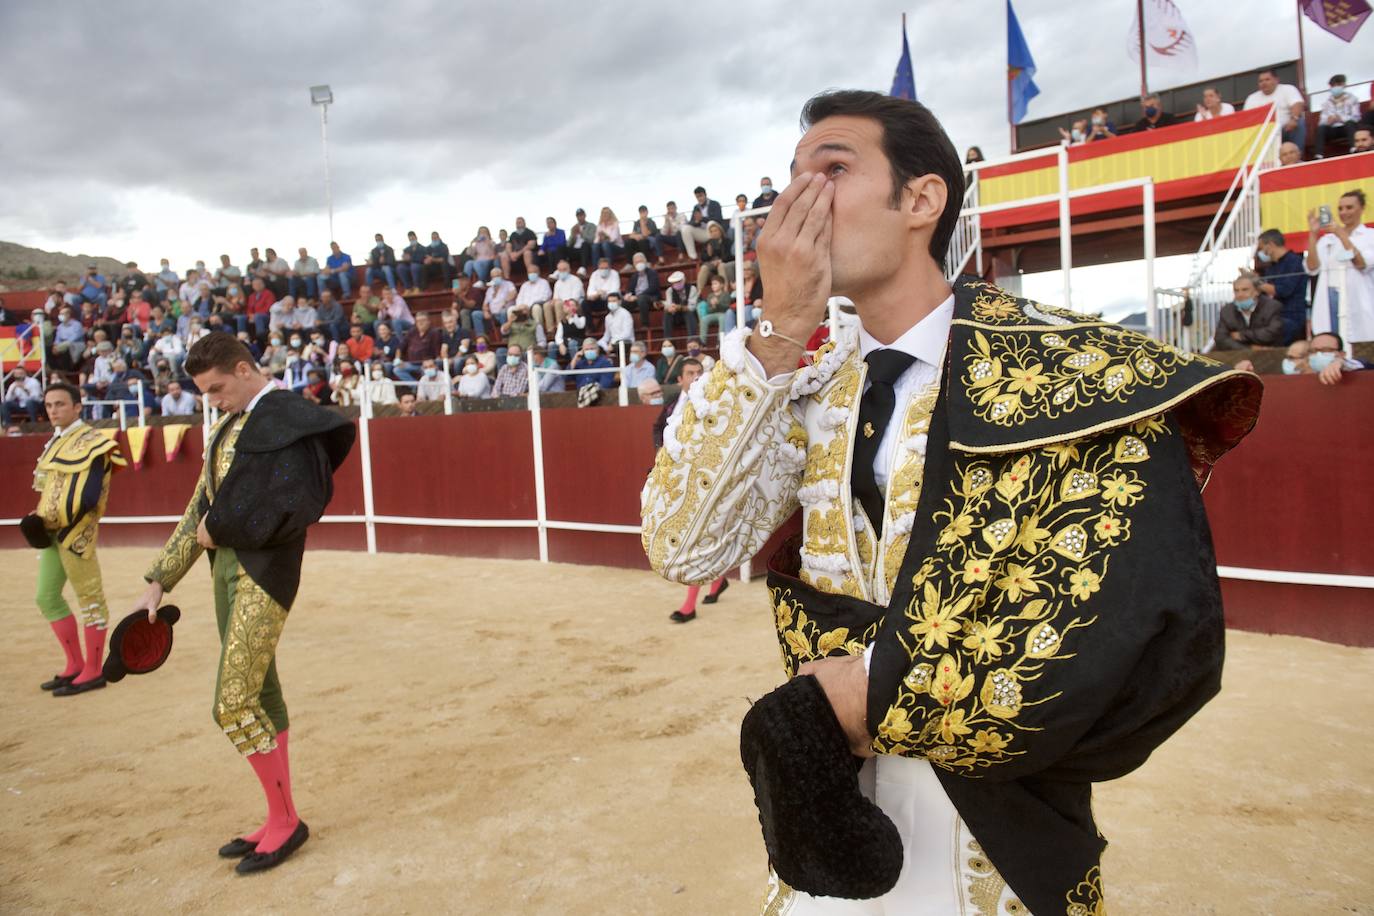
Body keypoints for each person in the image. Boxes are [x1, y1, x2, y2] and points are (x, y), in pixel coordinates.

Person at [640, 89, 1261, 916]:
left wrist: (866, 690)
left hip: (1001, 825)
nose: (798, 202)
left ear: (922, 200)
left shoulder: (1065, 369)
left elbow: (1143, 632)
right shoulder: (807, 380)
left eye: (831, 168)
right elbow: (684, 549)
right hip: (837, 822)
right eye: (791, 179)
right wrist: (780, 326)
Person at [131, 335, 353, 873]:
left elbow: (296, 501)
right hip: (224, 570)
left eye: (217, 388)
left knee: (232, 702)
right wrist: (160, 579)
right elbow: (200, 507)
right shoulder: (227, 427)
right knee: (262, 693)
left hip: (265, 572)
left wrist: (219, 528)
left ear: (244, 368)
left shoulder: (289, 418)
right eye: (205, 393)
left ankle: (286, 821)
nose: (213, 400)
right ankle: (279, 815)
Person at [28, 383, 128, 695]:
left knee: (90, 601)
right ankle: (74, 665)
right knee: (46, 596)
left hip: (76, 533)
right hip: (51, 532)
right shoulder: (55, 443)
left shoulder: (94, 442)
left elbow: (88, 495)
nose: (54, 410)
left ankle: (94, 670)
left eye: (60, 404)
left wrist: (62, 520)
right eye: (49, 405)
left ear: (77, 407)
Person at [645, 357, 727, 621]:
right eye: (690, 373)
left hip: (703, 477)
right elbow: (658, 428)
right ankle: (718, 580)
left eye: (699, 372)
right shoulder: (672, 406)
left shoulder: (712, 404)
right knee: (699, 535)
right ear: (679, 379)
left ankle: (689, 605)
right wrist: (661, 451)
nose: (695, 377)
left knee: (696, 537)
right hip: (678, 478)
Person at [1306, 189, 1374, 343]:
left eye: (1349, 207)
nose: (1344, 212)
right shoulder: (1328, 239)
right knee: (1333, 341)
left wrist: (1341, 234)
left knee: (1360, 340)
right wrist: (1313, 234)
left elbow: (1361, 264)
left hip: (1358, 297)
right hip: (1329, 295)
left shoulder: (1370, 236)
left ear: (1362, 209)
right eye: (1340, 208)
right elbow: (1312, 267)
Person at [1255, 228, 1309, 343]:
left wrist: (1255, 282)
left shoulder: (1294, 261)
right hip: (1274, 316)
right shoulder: (1271, 267)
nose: (1260, 252)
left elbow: (1284, 290)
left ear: (1270, 245)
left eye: (1261, 248)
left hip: (1292, 317)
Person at [1212, 276, 1284, 350]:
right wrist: (1249, 349)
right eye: (1236, 290)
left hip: (1270, 354)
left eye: (1245, 290)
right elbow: (1220, 339)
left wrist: (1241, 335)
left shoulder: (1272, 306)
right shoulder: (1227, 310)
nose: (1240, 294)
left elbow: (1271, 334)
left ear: (1257, 291)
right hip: (1238, 355)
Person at [1245, 68, 1306, 154]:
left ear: (1276, 80)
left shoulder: (1288, 89)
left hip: (1285, 129)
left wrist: (1294, 119)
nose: (1264, 83)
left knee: (1299, 123)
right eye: (1261, 81)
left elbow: (1297, 104)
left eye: (1267, 79)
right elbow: (1247, 119)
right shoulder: (1251, 98)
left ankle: (1296, 157)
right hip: (1263, 135)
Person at [1315, 74, 1363, 158]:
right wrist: (1328, 121)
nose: (1336, 87)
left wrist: (1341, 118)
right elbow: (1322, 121)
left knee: (1350, 124)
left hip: (1346, 127)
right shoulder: (1326, 103)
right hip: (1333, 129)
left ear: (1344, 85)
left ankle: (1354, 148)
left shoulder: (1352, 99)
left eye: (1338, 85)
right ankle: (1319, 155)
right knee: (1321, 128)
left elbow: (1356, 117)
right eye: (1333, 85)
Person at [680, 186, 724, 259]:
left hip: (714, 232)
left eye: (701, 196)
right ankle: (693, 256)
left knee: (711, 223)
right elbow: (691, 222)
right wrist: (697, 222)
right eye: (697, 197)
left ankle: (716, 252)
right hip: (702, 233)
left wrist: (702, 219)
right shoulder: (696, 207)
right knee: (685, 228)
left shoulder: (715, 204)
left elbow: (718, 219)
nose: (700, 198)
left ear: (705, 194)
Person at [396, 310, 441, 382]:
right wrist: (398, 359)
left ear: (428, 321)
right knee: (397, 370)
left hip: (426, 364)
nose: (420, 323)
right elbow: (400, 347)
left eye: (423, 320)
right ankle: (416, 386)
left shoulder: (434, 333)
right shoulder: (412, 331)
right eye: (418, 321)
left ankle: (422, 387)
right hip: (411, 363)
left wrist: (430, 363)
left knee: (426, 371)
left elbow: (437, 352)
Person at [624, 252, 662, 330]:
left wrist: (637, 297)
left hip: (651, 297)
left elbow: (653, 288)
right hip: (637, 298)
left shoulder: (652, 273)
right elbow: (630, 289)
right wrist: (628, 296)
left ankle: (645, 324)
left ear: (645, 261)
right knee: (623, 303)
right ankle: (626, 327)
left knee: (641, 299)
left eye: (640, 261)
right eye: (636, 262)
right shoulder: (634, 276)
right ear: (634, 264)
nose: (639, 263)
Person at [660, 270, 698, 343]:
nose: (676, 284)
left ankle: (692, 339)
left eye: (678, 282)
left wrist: (679, 307)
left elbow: (692, 307)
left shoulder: (692, 289)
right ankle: (667, 340)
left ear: (684, 280)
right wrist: (669, 308)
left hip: (690, 316)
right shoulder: (669, 291)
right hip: (676, 316)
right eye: (674, 283)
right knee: (667, 313)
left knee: (688, 313)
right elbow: (669, 303)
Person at [695, 274, 735, 342]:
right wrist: (713, 306)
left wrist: (718, 304)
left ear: (722, 285)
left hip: (723, 314)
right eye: (712, 284)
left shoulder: (726, 294)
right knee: (704, 319)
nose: (713, 286)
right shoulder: (710, 295)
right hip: (713, 314)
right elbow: (709, 310)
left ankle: (720, 340)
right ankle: (702, 341)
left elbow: (727, 307)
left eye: (715, 284)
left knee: (722, 318)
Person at [695, 221, 733, 290]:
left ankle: (724, 289)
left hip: (724, 262)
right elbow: (703, 258)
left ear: (720, 231)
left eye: (715, 231)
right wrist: (709, 254)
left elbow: (731, 255)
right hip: (711, 264)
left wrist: (720, 260)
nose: (714, 233)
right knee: (704, 267)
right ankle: (699, 292)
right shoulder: (708, 243)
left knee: (721, 266)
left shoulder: (727, 241)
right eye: (711, 232)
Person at [480, 267, 517, 337]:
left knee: (503, 312)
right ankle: (481, 337)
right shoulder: (490, 290)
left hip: (504, 312)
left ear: (502, 275)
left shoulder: (508, 284)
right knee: (476, 314)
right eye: (493, 277)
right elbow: (484, 304)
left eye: (497, 276)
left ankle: (505, 336)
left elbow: (514, 293)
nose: (495, 278)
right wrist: (485, 311)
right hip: (493, 314)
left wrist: (505, 300)